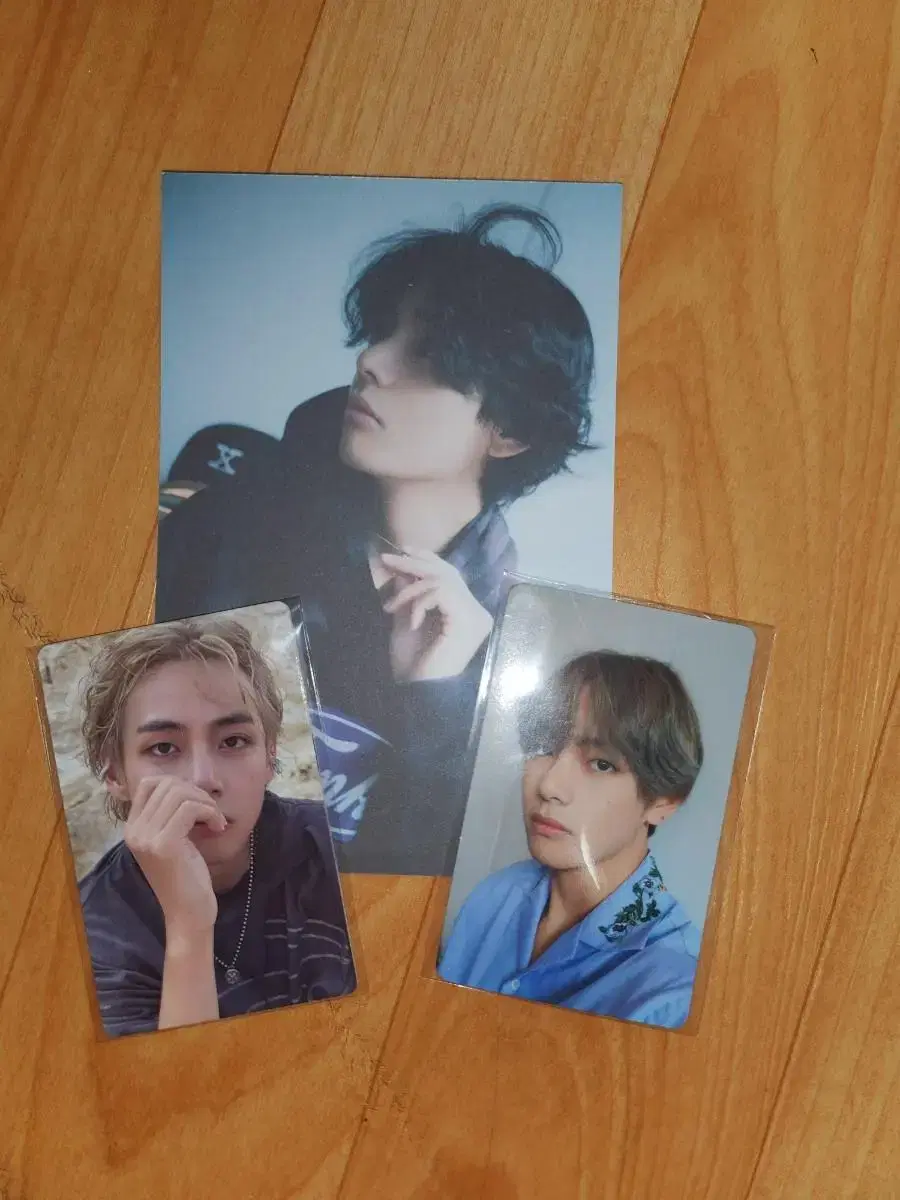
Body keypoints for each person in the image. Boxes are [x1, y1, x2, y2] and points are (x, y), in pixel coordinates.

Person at [156, 204, 596, 876]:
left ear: (509, 432)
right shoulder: (227, 521)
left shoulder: (514, 655)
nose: (371, 361)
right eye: (384, 333)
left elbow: (422, 879)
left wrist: (435, 697)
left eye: (430, 358)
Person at [77, 617, 355, 1038]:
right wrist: (188, 926)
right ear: (115, 774)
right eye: (164, 748)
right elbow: (181, 1079)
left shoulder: (341, 846)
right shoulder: (94, 934)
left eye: (233, 741)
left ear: (270, 755)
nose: (204, 779)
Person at [438, 651, 704, 1029]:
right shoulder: (496, 895)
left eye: (601, 764)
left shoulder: (672, 994)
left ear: (663, 802)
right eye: (544, 748)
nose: (549, 786)